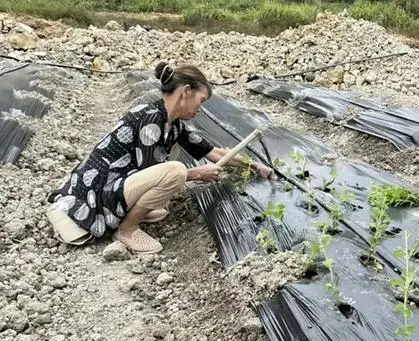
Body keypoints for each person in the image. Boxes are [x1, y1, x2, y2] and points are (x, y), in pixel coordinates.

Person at [46, 61, 275, 254]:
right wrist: (196, 173)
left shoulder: (172, 124)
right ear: (186, 92)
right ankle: (127, 229)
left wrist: (254, 166)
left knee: (174, 161)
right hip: (95, 195)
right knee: (175, 171)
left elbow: (211, 152)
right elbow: (154, 170)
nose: (200, 109)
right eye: (201, 100)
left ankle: (132, 211)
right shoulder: (150, 119)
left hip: (114, 186)